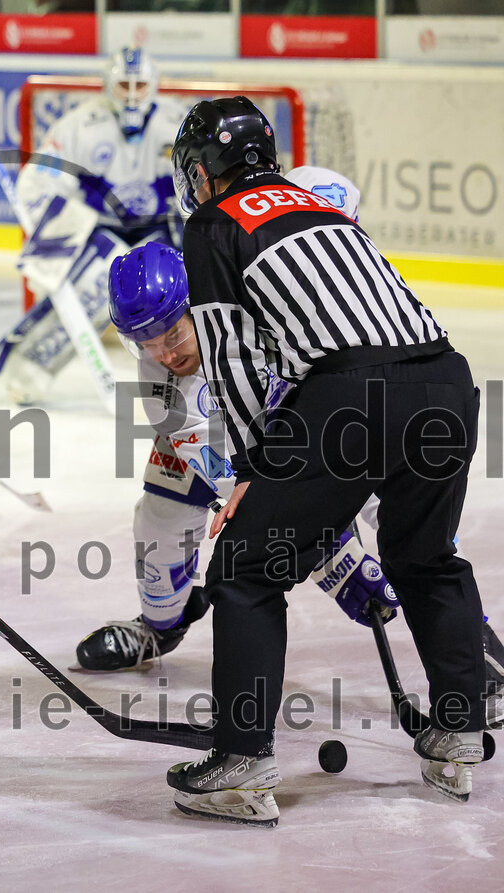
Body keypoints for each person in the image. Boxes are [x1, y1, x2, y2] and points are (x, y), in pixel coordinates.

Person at [163, 96, 486, 825]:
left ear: (205, 171)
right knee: (426, 555)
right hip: (445, 380)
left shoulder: (215, 222)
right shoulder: (319, 206)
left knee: (246, 567)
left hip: (352, 396)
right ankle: (460, 727)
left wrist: (250, 464)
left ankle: (241, 759)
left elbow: (235, 353)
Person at [75, 237, 504, 729]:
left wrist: (337, 537)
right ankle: (160, 625)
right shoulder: (161, 386)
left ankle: (478, 646)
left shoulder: (263, 311)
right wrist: (337, 564)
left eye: (172, 333)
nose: (162, 353)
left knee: (408, 527)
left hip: (318, 432)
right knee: (158, 517)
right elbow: (244, 488)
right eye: (144, 342)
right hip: (245, 462)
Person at [0, 46, 188, 405]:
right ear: (108, 85)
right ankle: (27, 368)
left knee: (181, 301)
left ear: (154, 85)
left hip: (162, 232)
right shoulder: (78, 126)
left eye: (139, 84)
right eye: (123, 84)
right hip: (101, 231)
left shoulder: (179, 123)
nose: (130, 94)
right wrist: (58, 238)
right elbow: (38, 181)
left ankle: (189, 381)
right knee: (90, 291)